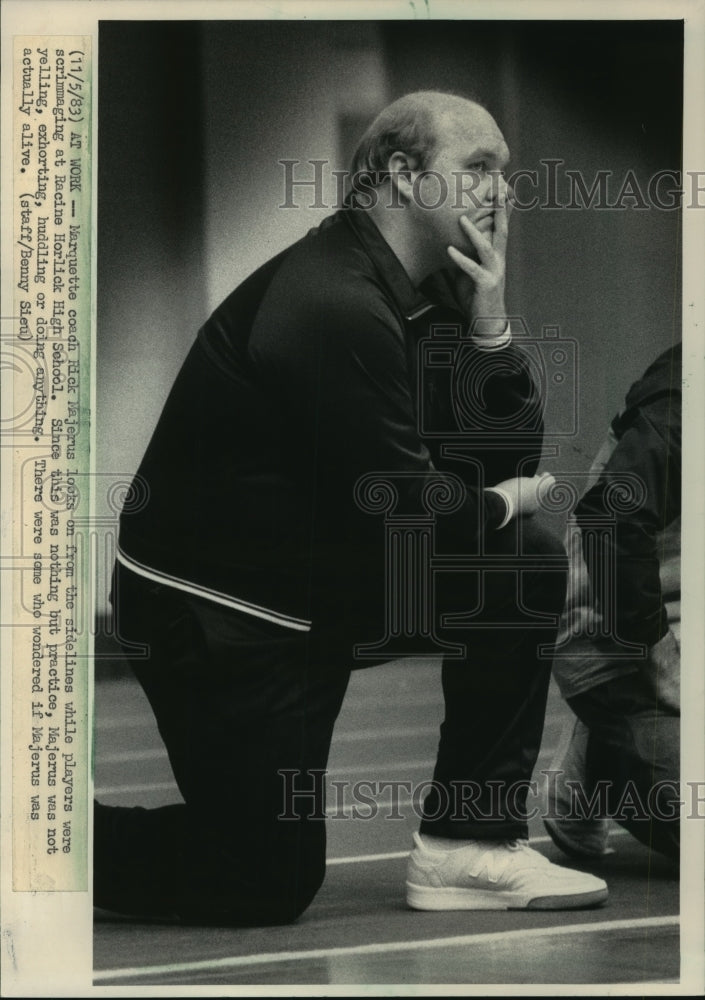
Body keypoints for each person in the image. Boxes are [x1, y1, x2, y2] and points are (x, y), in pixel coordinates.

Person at [95, 91, 607, 925]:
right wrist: (497, 502)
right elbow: (410, 512)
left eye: (505, 175)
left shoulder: (428, 289)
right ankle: (41, 838)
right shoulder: (329, 300)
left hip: (317, 586)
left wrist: (489, 327)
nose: (500, 192)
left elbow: (498, 465)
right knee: (260, 881)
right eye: (477, 168)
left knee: (519, 563)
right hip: (220, 620)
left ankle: (467, 845)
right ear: (400, 174)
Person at [546, 342, 681, 863]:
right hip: (620, 626)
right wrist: (662, 659)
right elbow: (612, 522)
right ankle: (604, 742)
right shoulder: (689, 398)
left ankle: (603, 744)